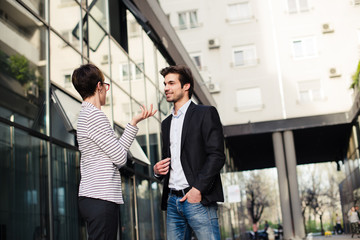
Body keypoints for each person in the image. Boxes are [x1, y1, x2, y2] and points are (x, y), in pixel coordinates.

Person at [72, 64, 157, 240]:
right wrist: (132, 126)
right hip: (100, 196)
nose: (106, 90)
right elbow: (119, 157)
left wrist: (133, 123)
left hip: (94, 196)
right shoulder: (94, 116)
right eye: (105, 85)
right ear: (98, 86)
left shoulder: (85, 115)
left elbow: (116, 153)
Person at [153, 65, 225, 240]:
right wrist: (157, 171)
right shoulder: (166, 123)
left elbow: (217, 155)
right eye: (165, 84)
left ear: (186, 86)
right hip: (172, 200)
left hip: (197, 199)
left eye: (171, 83)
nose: (166, 88)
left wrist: (197, 189)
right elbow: (170, 160)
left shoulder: (205, 113)